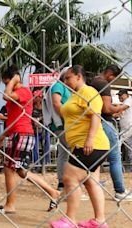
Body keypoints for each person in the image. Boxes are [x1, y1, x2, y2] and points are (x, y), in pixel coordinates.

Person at [50, 65, 110, 228]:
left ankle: (69, 219)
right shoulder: (74, 95)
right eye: (63, 79)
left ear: (78, 77)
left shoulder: (88, 92)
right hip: (83, 144)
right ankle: (100, 221)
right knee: (91, 182)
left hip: (90, 144)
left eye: (68, 78)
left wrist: (89, 139)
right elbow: (65, 111)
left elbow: (95, 116)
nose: (65, 81)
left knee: (70, 177)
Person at [0, 66, 60, 214]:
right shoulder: (17, 93)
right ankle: (52, 192)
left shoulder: (23, 91)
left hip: (21, 134)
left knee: (9, 169)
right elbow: (13, 118)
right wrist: (3, 135)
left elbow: (6, 96)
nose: (6, 86)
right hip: (17, 134)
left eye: (7, 82)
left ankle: (10, 205)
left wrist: (14, 80)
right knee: (21, 171)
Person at [90, 64, 132, 201]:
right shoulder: (104, 84)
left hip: (94, 121)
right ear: (110, 74)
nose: (113, 81)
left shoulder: (93, 81)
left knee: (95, 155)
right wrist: (118, 108)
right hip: (104, 122)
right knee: (115, 156)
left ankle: (93, 185)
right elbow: (107, 109)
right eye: (114, 78)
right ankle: (120, 191)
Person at [44, 69, 71, 191]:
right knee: (69, 154)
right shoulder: (59, 86)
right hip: (63, 124)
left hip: (63, 125)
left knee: (63, 154)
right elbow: (56, 103)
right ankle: (68, 184)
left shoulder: (60, 86)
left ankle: (62, 183)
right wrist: (69, 116)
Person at [32, 90, 50, 170]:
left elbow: (48, 114)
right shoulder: (31, 106)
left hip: (45, 128)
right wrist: (33, 120)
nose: (34, 98)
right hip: (35, 130)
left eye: (36, 96)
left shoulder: (45, 106)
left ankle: (46, 163)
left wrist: (39, 119)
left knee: (46, 145)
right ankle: (37, 164)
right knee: (35, 147)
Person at [116, 89, 132, 171]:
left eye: (121, 95)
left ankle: (119, 166)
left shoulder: (128, 100)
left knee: (118, 145)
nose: (119, 97)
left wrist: (112, 111)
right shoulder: (124, 102)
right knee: (129, 149)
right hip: (125, 129)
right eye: (119, 95)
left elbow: (123, 108)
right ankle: (129, 168)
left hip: (129, 128)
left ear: (126, 94)